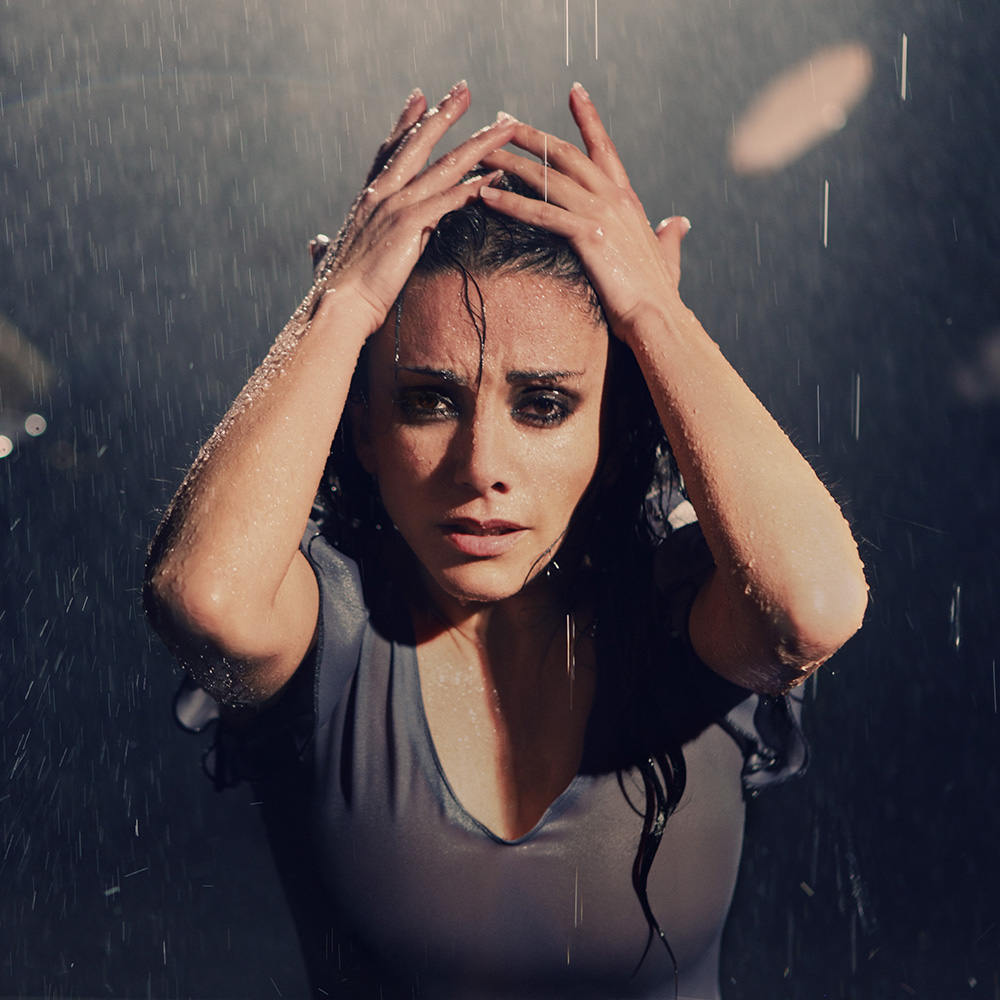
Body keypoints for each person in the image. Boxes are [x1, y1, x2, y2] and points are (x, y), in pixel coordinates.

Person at [144, 80, 868, 999]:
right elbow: (199, 598)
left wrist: (656, 315)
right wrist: (342, 304)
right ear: (363, 425)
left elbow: (812, 610)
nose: (480, 466)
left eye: (545, 405)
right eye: (428, 400)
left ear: (612, 427)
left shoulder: (678, 610)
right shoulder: (328, 630)